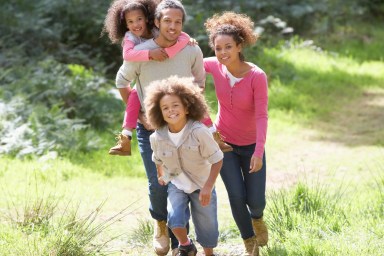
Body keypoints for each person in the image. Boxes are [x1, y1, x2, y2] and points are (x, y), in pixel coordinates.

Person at [114, 1, 230, 255]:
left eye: (178, 22)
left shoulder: (191, 50)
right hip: (152, 130)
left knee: (186, 180)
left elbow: (199, 83)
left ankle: (182, 245)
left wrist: (191, 113)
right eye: (167, 21)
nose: (173, 26)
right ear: (156, 22)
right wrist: (142, 113)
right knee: (160, 183)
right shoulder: (142, 52)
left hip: (188, 130)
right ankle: (161, 224)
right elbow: (121, 81)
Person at [203, 12, 270, 256]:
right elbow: (186, 61)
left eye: (228, 47)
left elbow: (262, 116)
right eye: (218, 48)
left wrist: (259, 152)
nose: (222, 53)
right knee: (235, 195)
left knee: (255, 200)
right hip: (225, 144)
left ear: (239, 46)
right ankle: (249, 241)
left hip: (252, 145)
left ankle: (258, 217)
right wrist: (184, 42)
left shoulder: (256, 76)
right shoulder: (213, 66)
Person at [144, 76, 223, 256]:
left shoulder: (199, 132)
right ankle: (186, 245)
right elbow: (157, 158)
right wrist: (160, 174)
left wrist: (208, 187)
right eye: (165, 108)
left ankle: (209, 253)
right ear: (159, 112)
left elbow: (217, 159)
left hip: (202, 185)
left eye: (175, 105)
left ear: (187, 107)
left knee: (207, 225)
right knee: (174, 221)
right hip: (176, 184)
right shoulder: (157, 137)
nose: (170, 110)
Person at [102, 0, 192, 156]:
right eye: (130, 21)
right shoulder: (130, 37)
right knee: (134, 97)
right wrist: (151, 54)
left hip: (160, 85)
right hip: (141, 82)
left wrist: (179, 47)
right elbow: (127, 55)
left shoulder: (156, 30)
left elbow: (181, 36)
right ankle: (125, 139)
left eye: (139, 19)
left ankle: (211, 133)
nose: (136, 24)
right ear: (125, 25)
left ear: (147, 18)